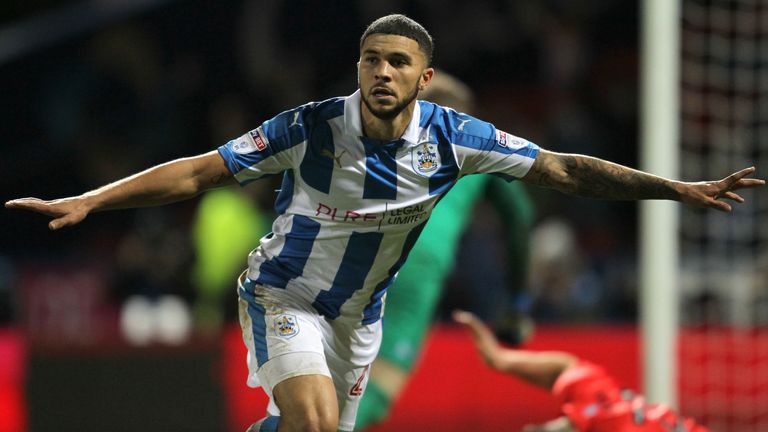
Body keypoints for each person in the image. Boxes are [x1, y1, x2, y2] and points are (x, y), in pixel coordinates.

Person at [4, 13, 763, 432]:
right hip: (284, 295)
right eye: (372, 59)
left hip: (359, 315)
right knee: (315, 425)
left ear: (423, 76)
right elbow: (203, 170)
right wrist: (96, 199)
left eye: (398, 61)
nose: (382, 72)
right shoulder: (310, 126)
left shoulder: (457, 138)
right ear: (359, 66)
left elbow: (564, 169)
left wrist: (677, 189)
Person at [355, 69, 536, 429]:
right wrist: (517, 302)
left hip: (355, 246)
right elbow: (520, 219)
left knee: (321, 373)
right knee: (379, 386)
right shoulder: (476, 147)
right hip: (417, 261)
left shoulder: (373, 136)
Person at [453, 310, 709, 432]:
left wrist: (500, 359)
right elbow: (564, 368)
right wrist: (500, 359)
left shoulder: (594, 402)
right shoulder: (593, 388)